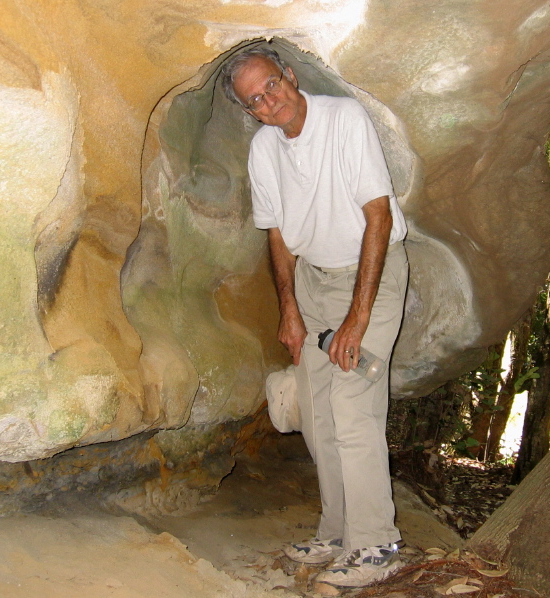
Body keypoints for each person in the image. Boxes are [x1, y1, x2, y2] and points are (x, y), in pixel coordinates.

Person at [221, 45, 409, 589]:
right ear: (250, 111)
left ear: (290, 76)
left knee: (352, 408)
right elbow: (277, 235)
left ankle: (376, 545)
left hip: (370, 272)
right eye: (255, 100)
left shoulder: (343, 120)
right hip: (313, 283)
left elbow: (377, 216)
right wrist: (290, 312)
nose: (269, 101)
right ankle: (337, 530)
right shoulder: (264, 150)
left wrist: (357, 317)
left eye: (272, 86)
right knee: (317, 410)